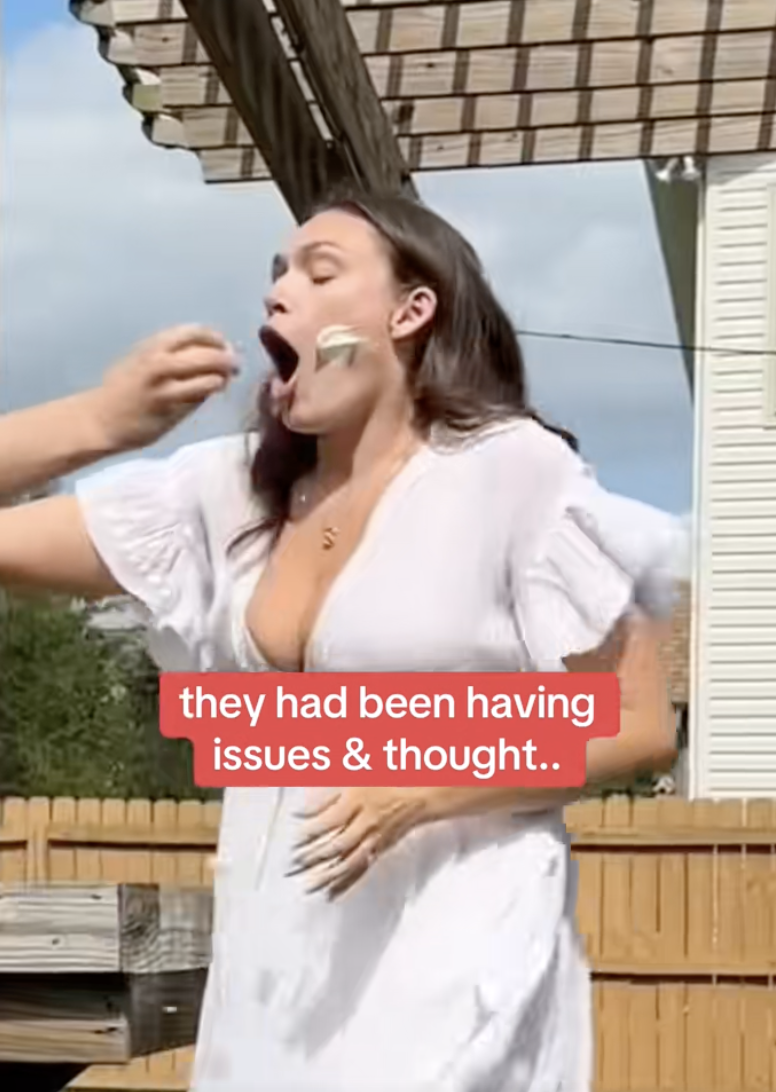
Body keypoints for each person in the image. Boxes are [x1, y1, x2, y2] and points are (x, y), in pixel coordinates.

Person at [0, 188, 685, 1091]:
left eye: (320, 272)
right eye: (276, 275)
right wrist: (99, 421)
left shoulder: (516, 473)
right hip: (278, 971)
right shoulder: (228, 498)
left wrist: (430, 783)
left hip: (458, 968)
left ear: (411, 312)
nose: (281, 292)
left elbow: (638, 726)